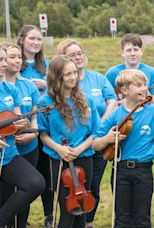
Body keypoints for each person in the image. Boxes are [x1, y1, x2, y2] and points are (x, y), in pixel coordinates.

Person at [0, 41, 45, 228]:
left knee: (35, 183)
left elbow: (13, 123)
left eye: (5, 59)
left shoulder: (9, 89)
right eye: (0, 60)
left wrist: (20, 125)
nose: (5, 64)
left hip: (9, 155)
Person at [92, 69, 154, 227]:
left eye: (145, 85)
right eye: (139, 85)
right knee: (122, 218)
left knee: (142, 218)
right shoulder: (115, 115)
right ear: (125, 90)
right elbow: (96, 144)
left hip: (144, 171)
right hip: (120, 171)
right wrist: (108, 138)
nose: (144, 88)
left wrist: (146, 152)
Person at [56, 39, 118, 228]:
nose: (78, 57)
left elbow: (112, 102)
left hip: (98, 139)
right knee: (71, 189)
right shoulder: (66, 84)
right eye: (72, 54)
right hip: (74, 144)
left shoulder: (98, 78)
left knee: (92, 187)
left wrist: (102, 125)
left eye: (79, 52)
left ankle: (88, 222)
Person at [37, 55, 100, 227]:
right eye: (67, 74)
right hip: (59, 159)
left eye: (75, 72)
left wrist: (79, 149)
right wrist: (59, 149)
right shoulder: (45, 102)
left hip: (84, 156)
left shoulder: (87, 100)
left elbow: (95, 132)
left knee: (82, 208)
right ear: (57, 77)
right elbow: (43, 134)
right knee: (67, 209)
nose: (73, 77)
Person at [17, 24, 53, 227]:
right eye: (32, 38)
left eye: (39, 39)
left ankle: (49, 215)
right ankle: (21, 215)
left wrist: (45, 85)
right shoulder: (13, 63)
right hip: (25, 125)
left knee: (45, 171)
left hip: (46, 124)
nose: (36, 43)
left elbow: (59, 87)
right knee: (25, 174)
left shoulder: (46, 65)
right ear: (21, 39)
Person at [2, 43, 41, 228]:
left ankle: (22, 224)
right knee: (6, 192)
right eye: (12, 57)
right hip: (5, 149)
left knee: (26, 191)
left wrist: (32, 135)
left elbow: (34, 118)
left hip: (28, 146)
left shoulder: (29, 86)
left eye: (19, 57)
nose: (17, 60)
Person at [105, 33, 154, 103]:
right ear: (122, 52)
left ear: (141, 51)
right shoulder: (112, 73)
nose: (133, 54)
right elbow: (107, 102)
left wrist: (144, 91)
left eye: (136, 50)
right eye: (129, 50)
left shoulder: (152, 72)